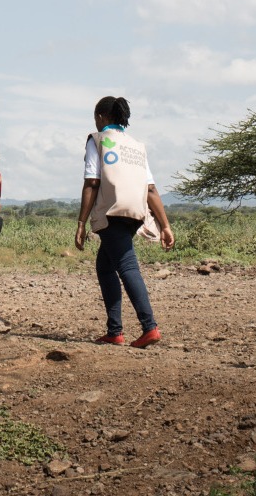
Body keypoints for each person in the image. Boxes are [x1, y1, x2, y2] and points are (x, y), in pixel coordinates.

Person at [74, 95, 175, 346]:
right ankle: (114, 331)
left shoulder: (97, 140)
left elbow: (92, 182)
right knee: (105, 267)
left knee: (127, 267)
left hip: (111, 212)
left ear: (100, 117)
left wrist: (81, 223)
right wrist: (165, 225)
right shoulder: (135, 145)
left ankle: (149, 327)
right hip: (136, 214)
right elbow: (150, 189)